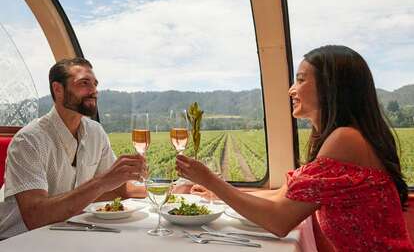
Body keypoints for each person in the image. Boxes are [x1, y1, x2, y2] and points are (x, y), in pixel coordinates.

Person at [176, 45, 414, 251]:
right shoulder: (342, 137)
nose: (291, 89)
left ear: (331, 87)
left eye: (300, 80)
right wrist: (218, 193)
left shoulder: (345, 139)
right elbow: (282, 196)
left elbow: (279, 221)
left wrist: (210, 180)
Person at [0, 57, 146, 239]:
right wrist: (101, 182)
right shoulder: (28, 141)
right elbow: (35, 217)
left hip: (69, 236)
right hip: (19, 242)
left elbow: (115, 191)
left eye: (95, 84)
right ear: (58, 89)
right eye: (84, 83)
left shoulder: (95, 132)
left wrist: (171, 190)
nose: (94, 91)